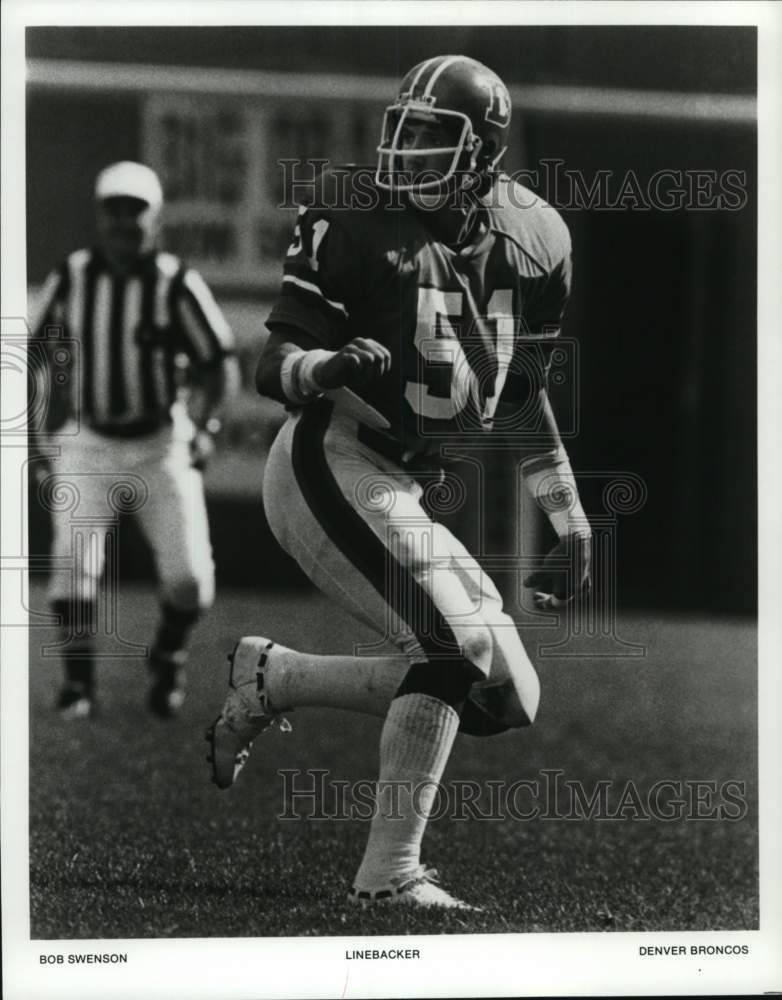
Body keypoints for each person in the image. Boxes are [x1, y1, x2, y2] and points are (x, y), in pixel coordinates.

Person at [207, 55, 591, 909]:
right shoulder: (351, 216)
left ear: (484, 153)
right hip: (329, 459)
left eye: (432, 136)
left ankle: (275, 679)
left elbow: (521, 396)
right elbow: (272, 364)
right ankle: (389, 876)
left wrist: (570, 520)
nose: (406, 152)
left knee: (505, 694)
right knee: (453, 651)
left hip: (401, 484)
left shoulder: (537, 241)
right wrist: (325, 365)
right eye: (403, 130)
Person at [30, 160, 238, 720]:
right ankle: (78, 685)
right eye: (115, 209)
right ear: (101, 215)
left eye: (135, 210)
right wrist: (37, 430)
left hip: (160, 442)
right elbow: (30, 352)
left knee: (192, 580)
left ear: (155, 218)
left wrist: (208, 425)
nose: (124, 221)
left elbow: (218, 362)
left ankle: (167, 654)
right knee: (73, 564)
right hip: (90, 442)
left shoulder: (175, 281)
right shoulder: (73, 275)